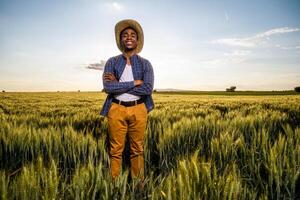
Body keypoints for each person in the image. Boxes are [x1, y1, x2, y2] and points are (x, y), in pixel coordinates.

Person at [100, 19, 154, 181]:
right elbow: (108, 88)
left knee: (137, 149)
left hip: (139, 109)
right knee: (115, 150)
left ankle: (138, 186)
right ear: (121, 40)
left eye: (132, 35)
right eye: (125, 35)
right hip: (116, 109)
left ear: (137, 41)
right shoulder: (112, 62)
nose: (129, 37)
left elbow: (147, 89)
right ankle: (115, 185)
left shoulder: (145, 64)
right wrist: (134, 82)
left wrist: (119, 84)